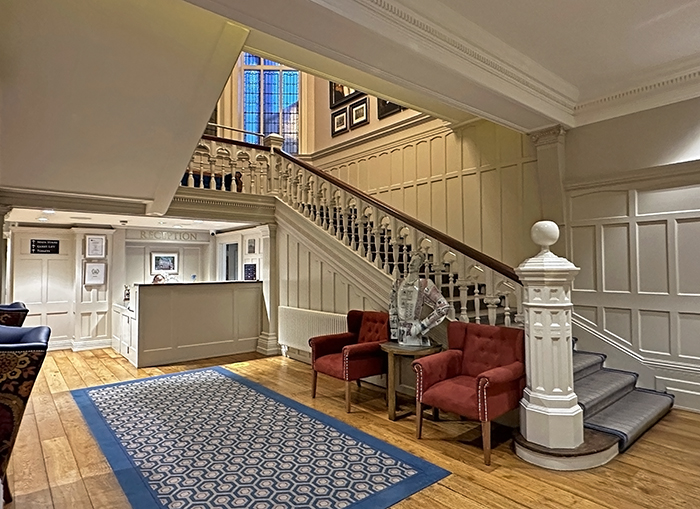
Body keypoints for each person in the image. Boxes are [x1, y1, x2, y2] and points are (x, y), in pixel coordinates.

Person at [389, 251, 450, 346]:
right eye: (411, 261)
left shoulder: (425, 284)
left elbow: (444, 306)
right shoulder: (397, 284)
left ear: (420, 265)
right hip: (401, 334)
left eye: (415, 261)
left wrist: (422, 326)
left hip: (415, 333)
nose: (411, 264)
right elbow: (392, 308)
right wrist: (394, 332)